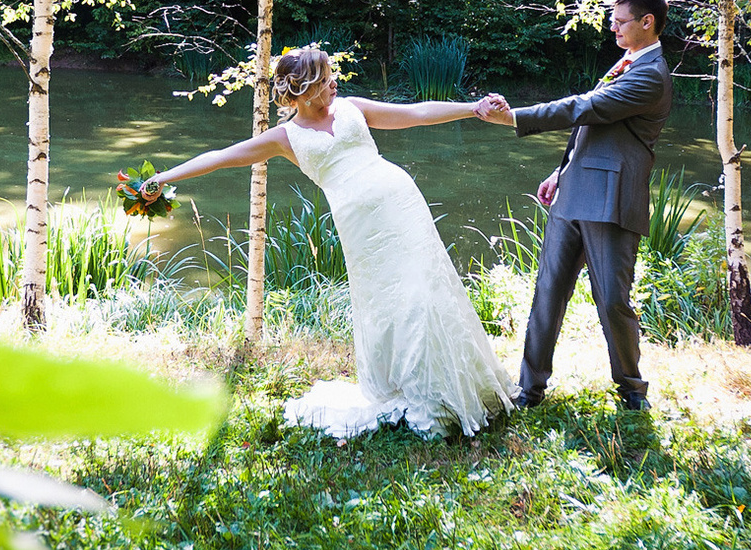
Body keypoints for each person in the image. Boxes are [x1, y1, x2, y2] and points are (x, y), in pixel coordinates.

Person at [142, 47, 513, 439]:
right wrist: (165, 177)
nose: (334, 82)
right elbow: (221, 156)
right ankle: (405, 385)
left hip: (401, 203)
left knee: (425, 290)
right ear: (302, 90)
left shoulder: (352, 107)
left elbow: (417, 113)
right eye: (325, 79)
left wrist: (472, 107)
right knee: (387, 301)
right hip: (361, 226)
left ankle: (453, 385)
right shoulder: (286, 137)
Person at [474, 0, 675, 412]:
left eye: (621, 22)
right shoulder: (626, 62)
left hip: (610, 200)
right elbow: (597, 129)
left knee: (612, 302)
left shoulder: (651, 76)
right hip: (572, 195)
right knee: (547, 292)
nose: (613, 28)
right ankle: (529, 391)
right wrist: (560, 171)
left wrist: (514, 118)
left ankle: (631, 392)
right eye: (612, 20)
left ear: (648, 22)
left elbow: (585, 108)